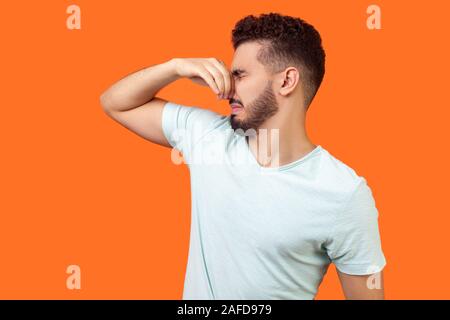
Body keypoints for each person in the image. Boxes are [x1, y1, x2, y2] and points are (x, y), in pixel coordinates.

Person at [100, 12, 386, 300]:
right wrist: (175, 67)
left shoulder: (344, 193)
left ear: (287, 81)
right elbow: (116, 103)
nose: (226, 89)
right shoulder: (208, 137)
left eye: (240, 75)